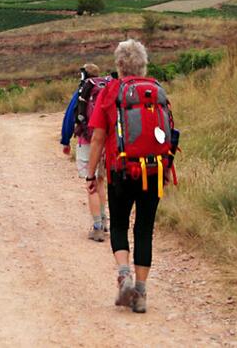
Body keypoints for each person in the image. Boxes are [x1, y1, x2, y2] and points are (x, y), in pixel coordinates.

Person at [85, 39, 169, 313]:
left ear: (119, 65)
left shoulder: (111, 91)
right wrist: (166, 169)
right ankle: (141, 294)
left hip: (119, 171)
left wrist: (90, 173)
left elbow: (97, 137)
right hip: (153, 171)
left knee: (119, 224)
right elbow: (166, 135)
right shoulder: (157, 91)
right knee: (144, 229)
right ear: (143, 65)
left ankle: (124, 275)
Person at [64, 63, 110, 242]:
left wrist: (65, 141)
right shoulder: (106, 88)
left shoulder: (83, 91)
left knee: (90, 184)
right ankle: (105, 220)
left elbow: (69, 117)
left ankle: (97, 227)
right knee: (100, 181)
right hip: (105, 141)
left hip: (86, 141)